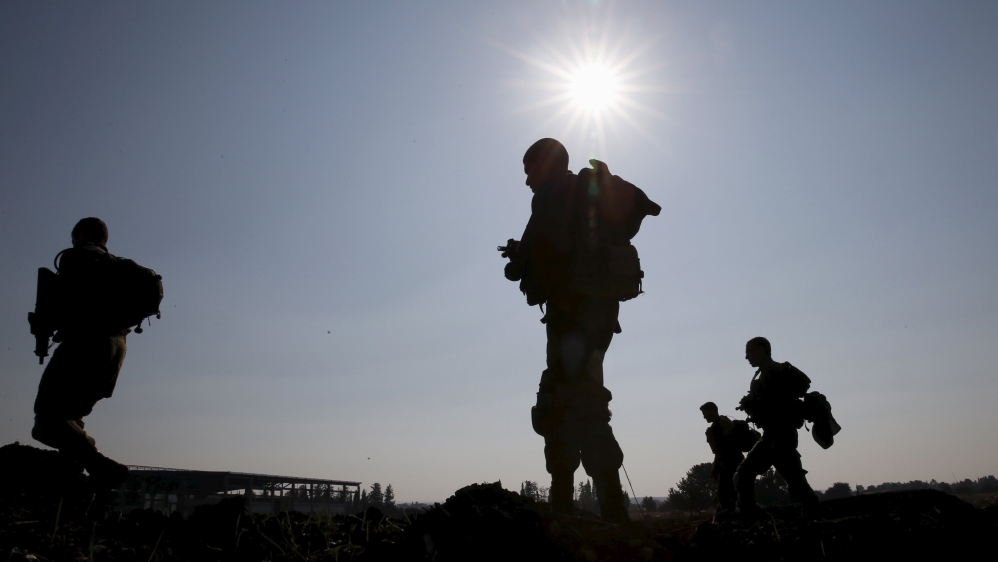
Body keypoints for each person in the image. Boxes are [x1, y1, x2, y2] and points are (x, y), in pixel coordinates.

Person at [502, 138, 633, 523]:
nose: (527, 181)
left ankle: (603, 506)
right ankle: (574, 501)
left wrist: (515, 262)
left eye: (530, 171)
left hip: (571, 313)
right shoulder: (580, 193)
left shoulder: (550, 195)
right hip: (600, 313)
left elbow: (526, 255)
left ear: (545, 165)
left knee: (572, 399)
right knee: (572, 395)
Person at [30, 218, 131, 490]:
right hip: (115, 349)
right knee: (70, 416)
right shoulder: (116, 267)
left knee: (47, 422)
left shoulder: (77, 258)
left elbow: (64, 303)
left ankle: (100, 466)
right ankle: (70, 483)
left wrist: (43, 325)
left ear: (81, 235)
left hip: (85, 344)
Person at [734, 337, 820, 518]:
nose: (747, 357)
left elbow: (777, 406)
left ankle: (813, 514)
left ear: (762, 349)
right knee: (743, 474)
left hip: (781, 435)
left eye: (749, 352)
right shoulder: (762, 374)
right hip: (770, 435)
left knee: (794, 480)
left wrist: (756, 405)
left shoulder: (774, 372)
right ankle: (752, 514)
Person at [700, 401, 744, 515]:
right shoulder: (715, 426)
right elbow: (718, 451)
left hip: (732, 462)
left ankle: (731, 517)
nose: (704, 416)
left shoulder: (723, 423)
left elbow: (725, 447)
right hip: (727, 462)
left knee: (726, 494)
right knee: (727, 494)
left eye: (705, 413)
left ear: (712, 411)